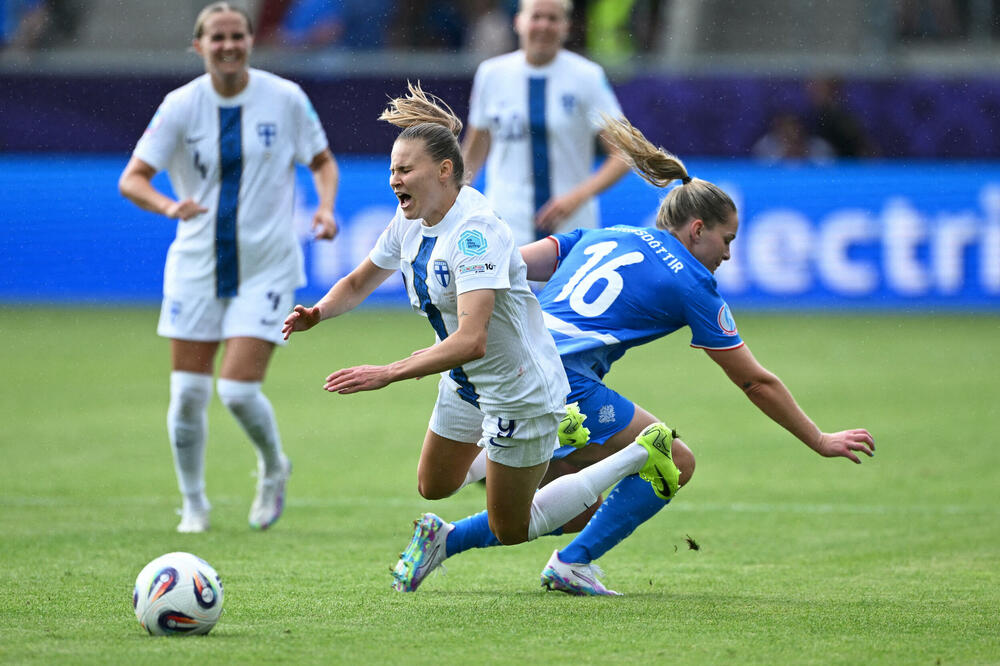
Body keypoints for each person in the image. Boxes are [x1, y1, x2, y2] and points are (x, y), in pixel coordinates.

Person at [401, 115, 876, 595]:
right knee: (675, 460)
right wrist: (817, 439)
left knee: (577, 509)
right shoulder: (693, 283)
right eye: (726, 240)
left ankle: (448, 534)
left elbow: (508, 265)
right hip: (566, 381)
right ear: (696, 229)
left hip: (517, 365)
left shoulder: (607, 235)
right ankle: (569, 562)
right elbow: (756, 381)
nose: (727, 255)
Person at [281, 83, 680, 593]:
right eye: (392, 170)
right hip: (465, 381)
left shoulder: (475, 235)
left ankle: (640, 452)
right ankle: (543, 449)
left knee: (510, 528)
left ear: (444, 170)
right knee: (434, 485)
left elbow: (472, 339)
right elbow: (359, 282)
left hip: (519, 392)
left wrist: (388, 372)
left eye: (405, 170)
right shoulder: (412, 220)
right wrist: (318, 312)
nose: (394, 180)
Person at [118, 2, 340, 533]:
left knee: (237, 391)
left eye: (237, 35)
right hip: (196, 264)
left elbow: (323, 160)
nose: (228, 45)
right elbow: (133, 178)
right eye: (216, 38)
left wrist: (326, 207)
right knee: (189, 393)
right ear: (199, 46)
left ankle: (272, 466)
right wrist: (170, 206)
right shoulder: (179, 107)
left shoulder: (285, 98)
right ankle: (193, 504)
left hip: (267, 266)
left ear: (250, 40)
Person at [461, 0, 630, 247]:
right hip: (505, 224)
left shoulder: (588, 76)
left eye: (553, 19)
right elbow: (474, 151)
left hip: (572, 226)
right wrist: (451, 204)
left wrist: (576, 198)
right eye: (536, 16)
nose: (544, 25)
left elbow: (623, 154)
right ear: (518, 22)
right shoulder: (491, 74)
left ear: (566, 27)